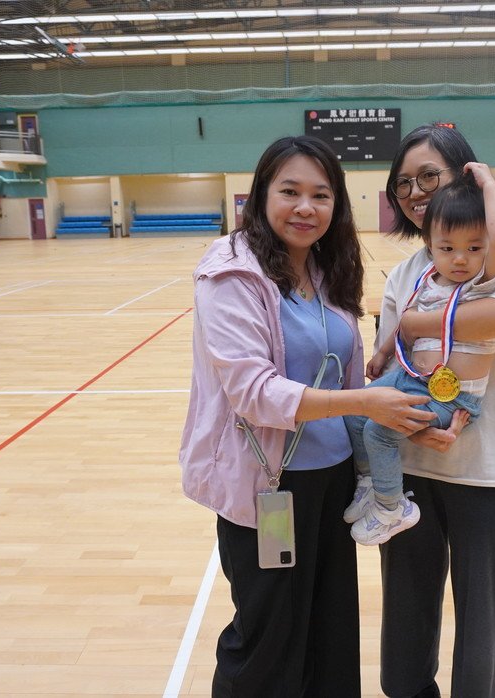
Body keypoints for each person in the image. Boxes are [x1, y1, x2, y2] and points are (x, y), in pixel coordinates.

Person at [179, 134, 435, 697]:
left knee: (330, 631)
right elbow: (254, 393)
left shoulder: (326, 268)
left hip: (333, 478)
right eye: (289, 191)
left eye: (321, 195)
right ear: (260, 196)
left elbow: (344, 368)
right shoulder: (232, 274)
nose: (305, 207)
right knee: (268, 637)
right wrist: (364, 402)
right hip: (270, 484)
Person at [376, 124, 495, 698]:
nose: (416, 192)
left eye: (429, 175)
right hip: (414, 469)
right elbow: (394, 368)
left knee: (481, 636)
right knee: (404, 636)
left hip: (493, 471)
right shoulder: (407, 271)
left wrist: (415, 322)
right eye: (403, 183)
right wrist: (409, 425)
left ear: (465, 174)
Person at [343, 169, 495, 546]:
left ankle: (392, 508)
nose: (461, 259)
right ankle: (371, 483)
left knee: (378, 431)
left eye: (474, 248)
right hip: (411, 379)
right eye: (448, 248)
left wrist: (489, 184)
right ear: (430, 245)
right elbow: (407, 323)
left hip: (449, 397)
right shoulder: (426, 280)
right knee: (356, 409)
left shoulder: (481, 284)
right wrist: (383, 352)